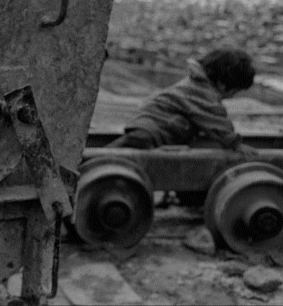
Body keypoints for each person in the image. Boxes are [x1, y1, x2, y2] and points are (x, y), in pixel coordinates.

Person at [106, 48, 258, 205]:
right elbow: (216, 121)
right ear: (222, 84)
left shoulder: (196, 83)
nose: (232, 97)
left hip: (153, 128)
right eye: (234, 92)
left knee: (123, 151)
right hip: (153, 130)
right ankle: (98, 161)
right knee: (117, 157)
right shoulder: (202, 93)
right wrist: (235, 143)